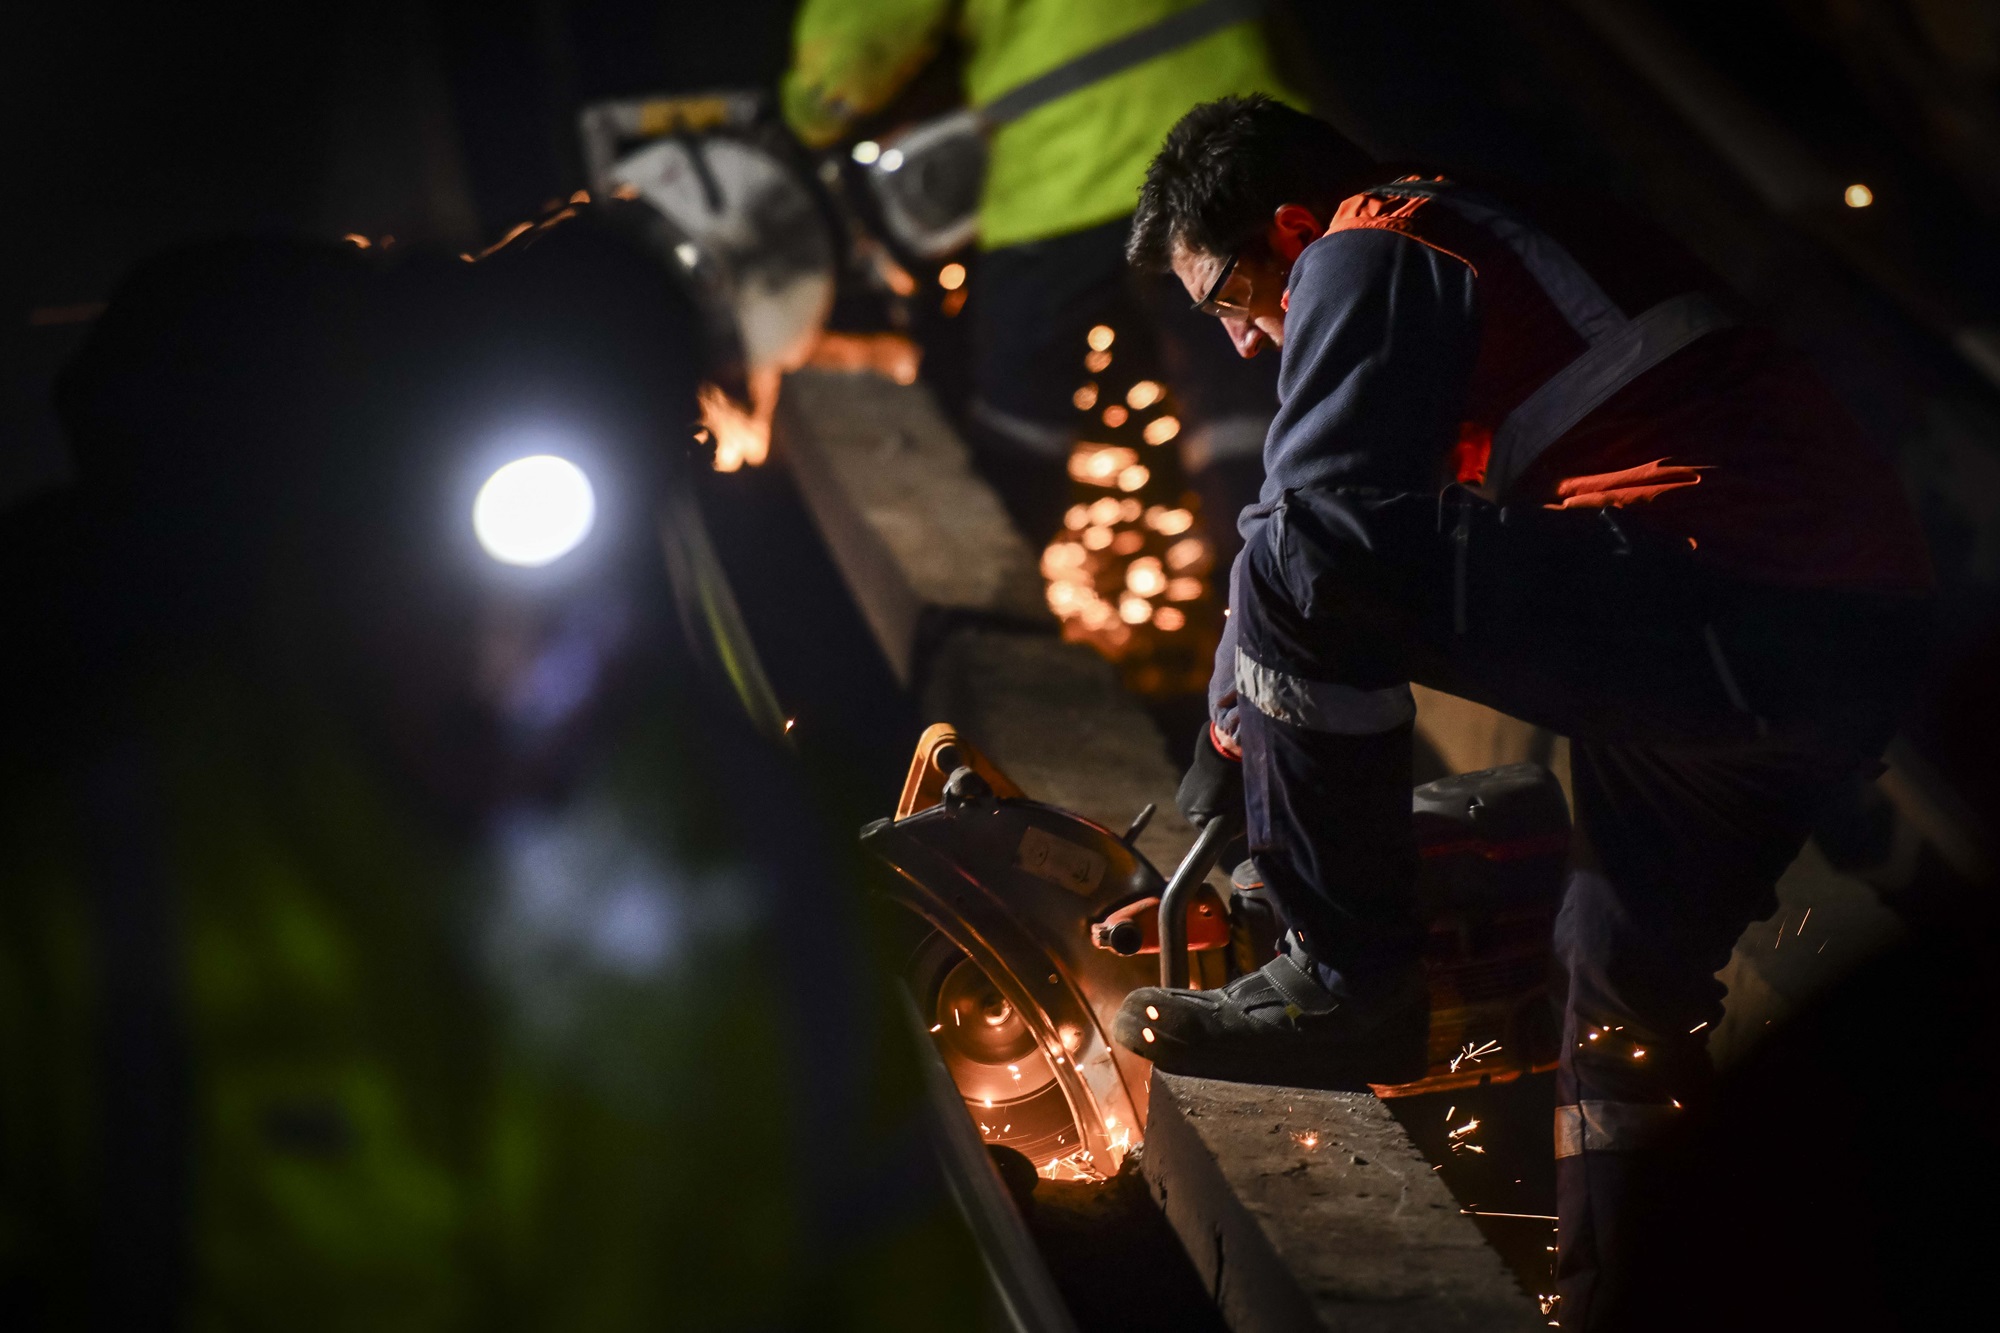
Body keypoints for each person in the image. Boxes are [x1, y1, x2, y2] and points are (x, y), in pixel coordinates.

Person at [0, 215, 984, 1329]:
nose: (514, 651)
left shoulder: (764, 853)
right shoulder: (97, 889)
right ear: (328, 543)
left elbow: (889, 1259)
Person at [1109, 95, 1934, 1328]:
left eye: (1232, 300)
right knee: (1621, 1002)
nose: (1241, 344)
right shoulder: (1485, 244)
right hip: (1808, 650)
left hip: (1723, 591)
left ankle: (1344, 977)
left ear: (1289, 228)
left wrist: (1220, 773)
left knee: (1295, 550)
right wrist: (1244, 776)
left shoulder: (1378, 241)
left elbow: (1310, 529)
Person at [782, 0, 1297, 541]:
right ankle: (1292, 597)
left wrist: (807, 111)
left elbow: (859, 37)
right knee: (1252, 403)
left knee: (1018, 425)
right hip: (1236, 141)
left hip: (1061, 176)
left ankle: (995, 604)